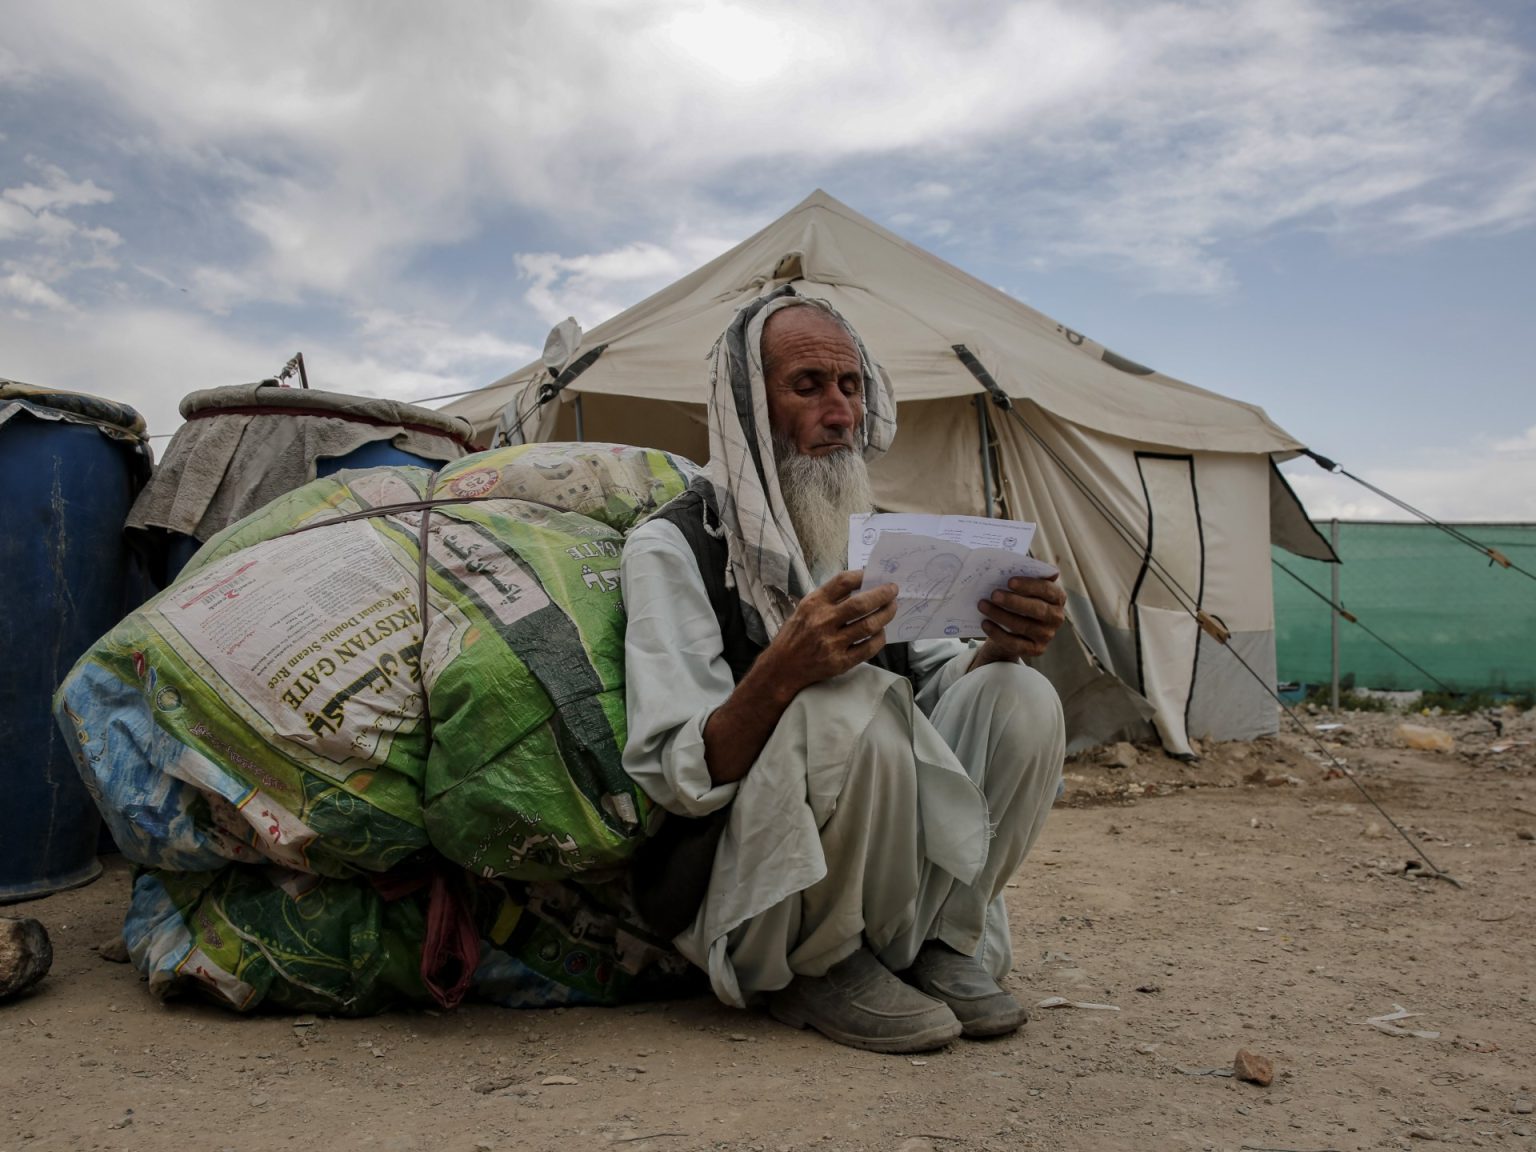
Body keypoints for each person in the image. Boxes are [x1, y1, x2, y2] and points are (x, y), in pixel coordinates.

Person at [620, 288, 1067, 1054]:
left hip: (886, 867)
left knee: (1018, 695)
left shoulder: (867, 539)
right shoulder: (673, 547)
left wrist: (1004, 641)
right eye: (809, 386)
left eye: (851, 386)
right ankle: (819, 964)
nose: (841, 413)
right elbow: (679, 775)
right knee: (848, 696)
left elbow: (937, 697)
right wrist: (782, 672)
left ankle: (939, 940)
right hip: (753, 888)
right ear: (750, 406)